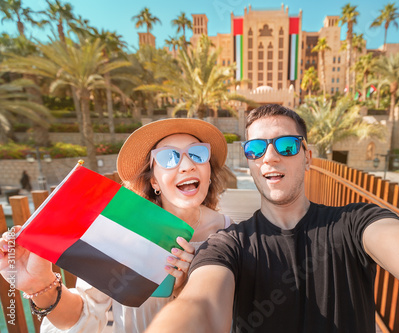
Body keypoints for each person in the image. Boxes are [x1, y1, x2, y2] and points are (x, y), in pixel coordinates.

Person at [146, 104, 399, 333]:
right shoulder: (229, 244)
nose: (269, 157)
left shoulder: (355, 222)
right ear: (250, 164)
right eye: (255, 149)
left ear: (308, 157)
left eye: (286, 146)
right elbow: (202, 305)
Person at [0, 118, 233, 332]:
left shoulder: (232, 234)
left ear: (209, 171)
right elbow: (85, 316)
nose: (187, 165)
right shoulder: (122, 230)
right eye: (168, 157)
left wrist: (185, 290)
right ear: (154, 181)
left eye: (198, 154)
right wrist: (40, 286)